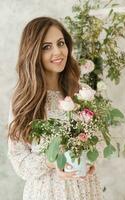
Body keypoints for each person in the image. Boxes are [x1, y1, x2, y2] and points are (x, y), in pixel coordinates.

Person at [8, 16, 104, 200]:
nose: (58, 52)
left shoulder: (83, 93)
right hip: (46, 192)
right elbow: (19, 161)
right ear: (33, 52)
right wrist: (53, 162)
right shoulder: (23, 99)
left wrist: (91, 159)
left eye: (61, 43)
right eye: (46, 47)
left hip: (85, 190)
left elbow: (98, 141)